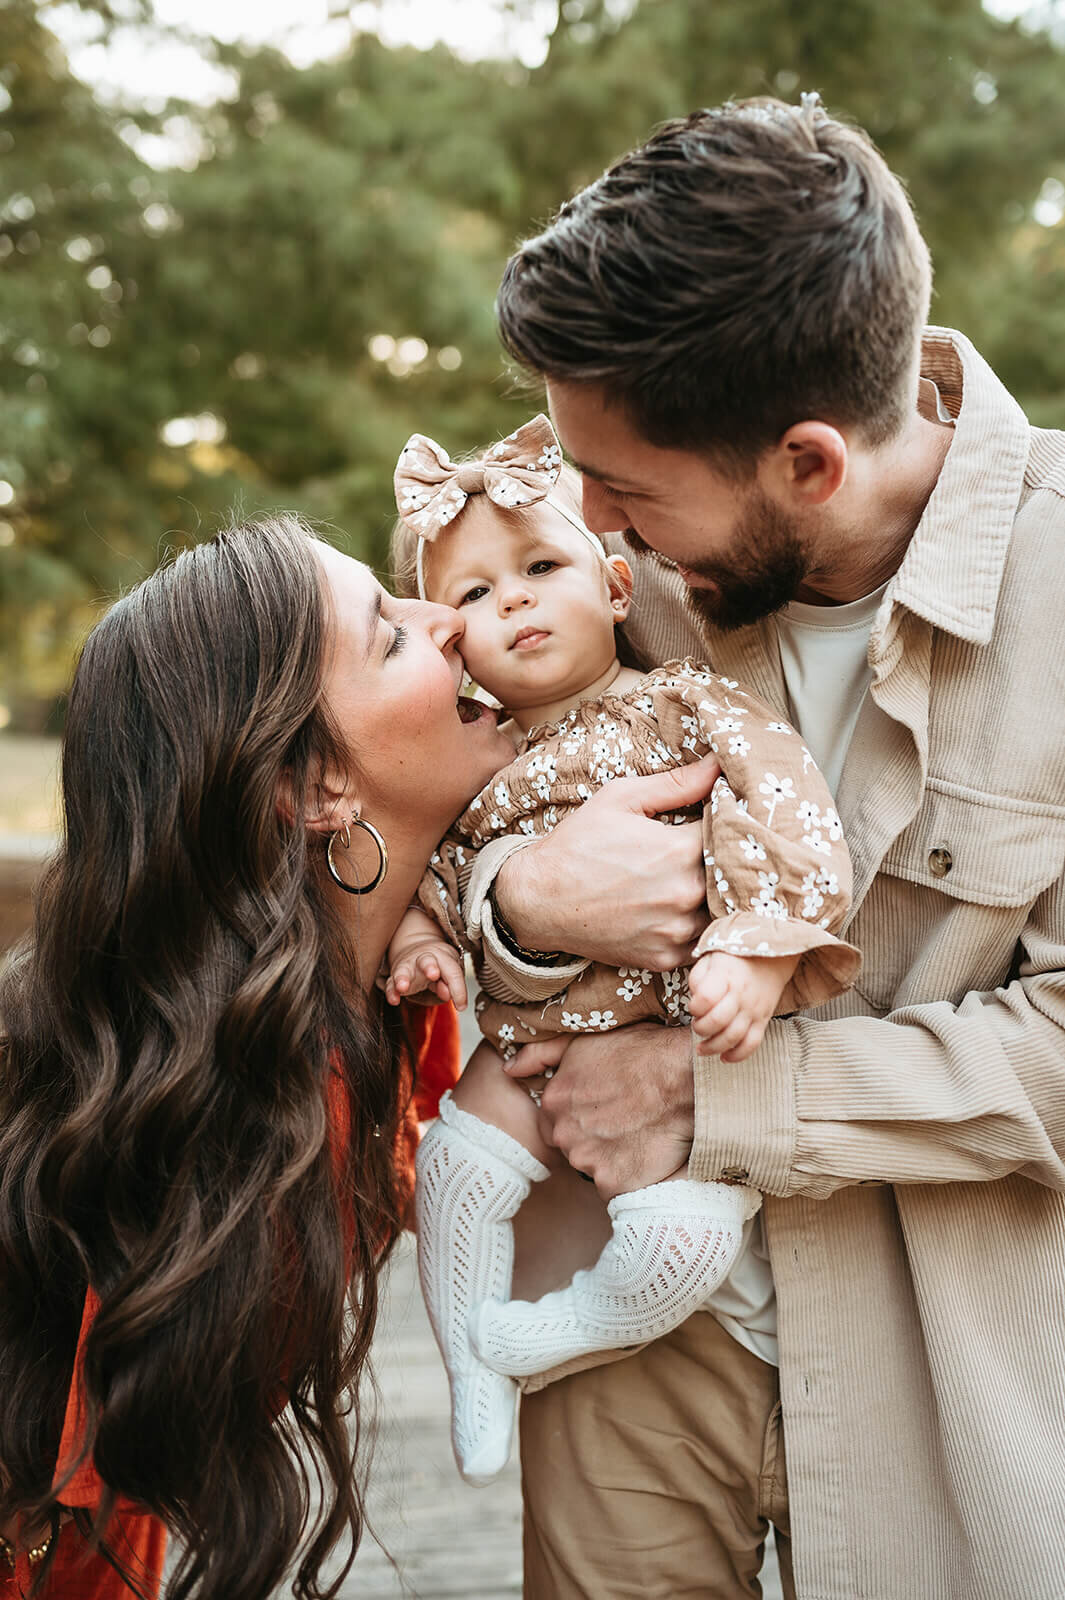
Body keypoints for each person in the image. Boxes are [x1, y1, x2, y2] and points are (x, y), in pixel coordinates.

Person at [480, 97, 1065, 1599]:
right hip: (620, 1329)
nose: (583, 528)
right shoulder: (578, 535)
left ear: (807, 460)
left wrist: (723, 1092)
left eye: (624, 492)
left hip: (953, 1364)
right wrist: (520, 907)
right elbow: (408, 782)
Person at [0, 514, 512, 1599]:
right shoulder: (213, 1117)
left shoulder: (346, 1010)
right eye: (389, 634)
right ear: (311, 786)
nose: (451, 620)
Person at [384, 413, 858, 1485]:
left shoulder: (680, 707)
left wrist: (755, 947)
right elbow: (431, 867)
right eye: (471, 595)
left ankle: (540, 1335)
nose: (510, 599)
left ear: (610, 585)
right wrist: (419, 936)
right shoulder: (473, 757)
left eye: (539, 567)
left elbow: (784, 809)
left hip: (666, 1027)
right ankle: (469, 1361)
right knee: (450, 1168)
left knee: (684, 1242)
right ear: (455, 647)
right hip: (526, 1047)